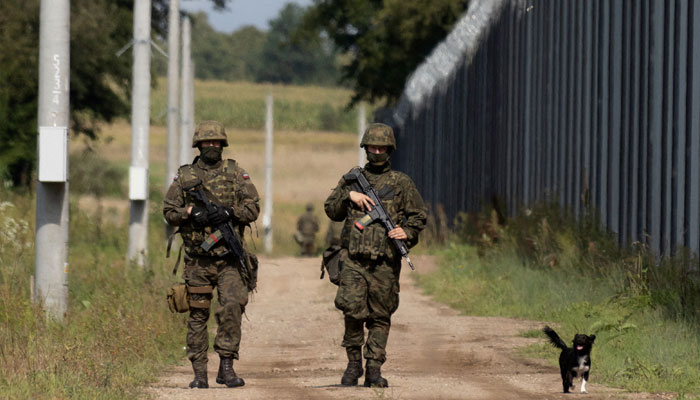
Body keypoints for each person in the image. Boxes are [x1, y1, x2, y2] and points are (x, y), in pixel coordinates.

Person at [324, 123, 427, 388]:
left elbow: (418, 215)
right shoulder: (351, 179)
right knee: (352, 312)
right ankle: (353, 364)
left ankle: (373, 368)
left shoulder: (401, 182)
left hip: (385, 262)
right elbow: (331, 210)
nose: (377, 151)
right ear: (365, 148)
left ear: (390, 149)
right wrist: (350, 196)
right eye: (373, 147)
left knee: (381, 316)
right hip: (354, 261)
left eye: (382, 147)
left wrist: (407, 232)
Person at [163, 121, 260, 389]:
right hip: (198, 261)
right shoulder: (185, 177)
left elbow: (253, 207)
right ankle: (199, 374)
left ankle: (226, 368)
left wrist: (230, 212)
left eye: (216, 142)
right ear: (198, 145)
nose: (212, 146)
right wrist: (190, 213)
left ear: (223, 144)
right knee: (197, 315)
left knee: (231, 307)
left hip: (229, 260)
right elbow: (169, 211)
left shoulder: (235, 173)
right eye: (207, 142)